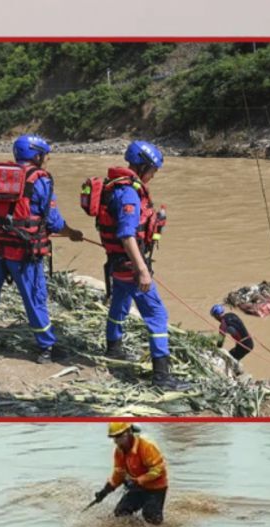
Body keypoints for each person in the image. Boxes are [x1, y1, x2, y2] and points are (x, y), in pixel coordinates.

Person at [0, 134, 86, 362]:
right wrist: (72, 233)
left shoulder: (1, 175)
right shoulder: (40, 180)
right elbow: (53, 221)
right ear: (37, 155)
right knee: (35, 297)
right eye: (46, 156)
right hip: (22, 252)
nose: (48, 160)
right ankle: (46, 347)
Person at [93, 141, 189, 391]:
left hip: (117, 263)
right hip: (130, 266)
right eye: (153, 171)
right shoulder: (128, 194)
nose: (153, 176)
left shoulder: (117, 187)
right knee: (157, 315)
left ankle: (113, 348)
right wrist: (142, 270)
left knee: (119, 305)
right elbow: (126, 235)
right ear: (143, 166)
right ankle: (162, 377)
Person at [91, 422, 168, 526]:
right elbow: (119, 473)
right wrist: (105, 491)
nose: (116, 441)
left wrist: (139, 480)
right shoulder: (119, 451)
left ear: (128, 433)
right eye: (114, 437)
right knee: (120, 513)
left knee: (151, 517)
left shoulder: (146, 446)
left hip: (156, 488)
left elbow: (158, 469)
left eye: (118, 436)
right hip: (137, 486)